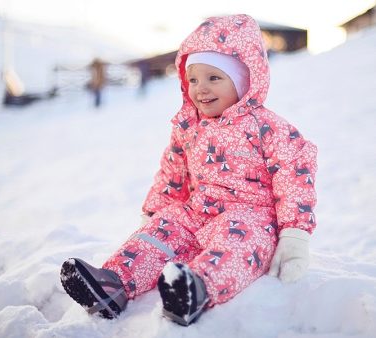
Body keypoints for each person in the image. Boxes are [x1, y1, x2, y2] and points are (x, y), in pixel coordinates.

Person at [60, 14, 317, 326]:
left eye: (214, 78)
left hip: (251, 217)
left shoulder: (267, 127)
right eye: (193, 79)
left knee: (238, 243)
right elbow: (173, 173)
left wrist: (295, 234)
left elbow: (295, 176)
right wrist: (154, 216)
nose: (201, 89)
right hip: (197, 213)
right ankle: (112, 284)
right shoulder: (188, 125)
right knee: (164, 228)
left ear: (244, 81)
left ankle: (195, 287)